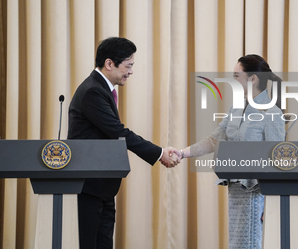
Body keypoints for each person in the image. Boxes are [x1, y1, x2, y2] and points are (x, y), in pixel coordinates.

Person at [67, 37, 181, 249]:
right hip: (89, 185)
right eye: (128, 66)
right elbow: (118, 132)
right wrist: (159, 153)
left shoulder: (101, 88)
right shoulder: (93, 91)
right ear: (109, 63)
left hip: (103, 184)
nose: (130, 72)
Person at [178, 54, 285, 248]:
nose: (233, 80)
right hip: (236, 188)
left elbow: (277, 159)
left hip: (256, 191)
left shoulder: (272, 113)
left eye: (237, 75)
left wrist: (271, 205)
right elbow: (213, 140)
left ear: (253, 78)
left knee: (250, 243)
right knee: (236, 243)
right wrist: (182, 153)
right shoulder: (236, 108)